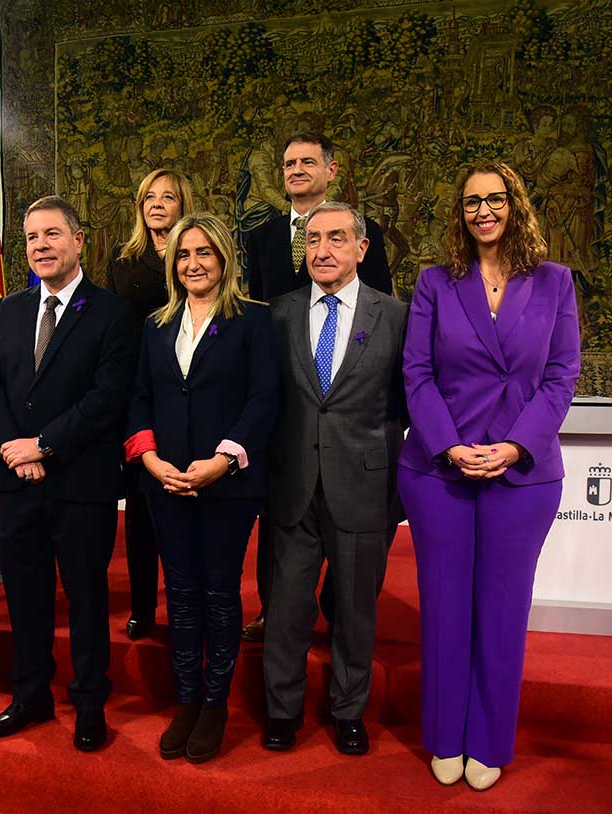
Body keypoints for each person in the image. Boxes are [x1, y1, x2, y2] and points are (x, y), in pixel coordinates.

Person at [397, 161, 580, 790]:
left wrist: (512, 447)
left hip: (521, 474)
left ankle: (489, 740)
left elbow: (561, 378)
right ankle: (446, 735)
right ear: (460, 212)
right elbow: (415, 373)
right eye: (472, 201)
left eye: (494, 199)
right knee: (446, 607)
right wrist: (450, 447)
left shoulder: (555, 283)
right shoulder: (435, 284)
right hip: (439, 471)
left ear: (514, 204)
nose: (483, 211)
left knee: (502, 611)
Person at [0, 196, 136, 752]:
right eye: (31, 238)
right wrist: (15, 451)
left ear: (78, 240)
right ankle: (30, 697)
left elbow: (106, 400)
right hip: (18, 484)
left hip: (80, 485)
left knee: (86, 599)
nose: (40, 246)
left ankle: (89, 704)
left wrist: (43, 445)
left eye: (51, 235)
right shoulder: (11, 311)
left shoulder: (112, 314)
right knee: (25, 596)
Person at [125, 213, 278, 763]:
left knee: (218, 593)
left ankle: (215, 705)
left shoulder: (254, 321)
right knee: (181, 596)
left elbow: (264, 400)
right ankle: (186, 701)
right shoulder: (155, 325)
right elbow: (139, 397)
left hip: (228, 484)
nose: (193, 263)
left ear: (224, 259)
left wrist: (223, 459)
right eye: (184, 255)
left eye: (204, 253)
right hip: (165, 483)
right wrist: (149, 459)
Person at [261, 202, 407, 756]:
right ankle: (282, 710)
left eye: (337, 239)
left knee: (354, 612)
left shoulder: (395, 315)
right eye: (314, 239)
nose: (322, 250)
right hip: (292, 486)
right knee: (287, 610)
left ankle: (349, 711)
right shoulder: (277, 313)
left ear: (361, 249)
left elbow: (408, 403)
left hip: (364, 488)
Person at [241, 132, 393, 642]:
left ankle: (336, 613)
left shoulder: (357, 231)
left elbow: (384, 333)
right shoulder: (260, 237)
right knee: (282, 539)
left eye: (308, 161)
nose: (297, 170)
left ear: (332, 170)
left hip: (346, 412)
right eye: (288, 163)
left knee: (349, 564)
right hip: (283, 411)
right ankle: (274, 613)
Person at [105, 168, 195, 641]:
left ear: (183, 204)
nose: (157, 204)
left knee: (186, 504)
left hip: (190, 393)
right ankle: (143, 606)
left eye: (168, 197)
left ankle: (188, 603)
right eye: (149, 198)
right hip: (136, 396)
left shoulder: (195, 257)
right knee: (141, 511)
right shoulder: (123, 262)